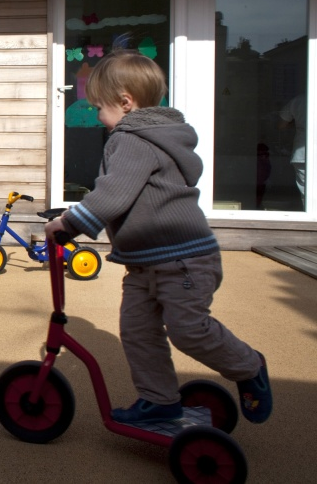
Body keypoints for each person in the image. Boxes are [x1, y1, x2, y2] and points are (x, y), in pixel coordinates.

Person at [45, 50, 272, 425]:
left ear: (125, 103)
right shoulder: (147, 136)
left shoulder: (134, 138)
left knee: (188, 330)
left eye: (100, 108)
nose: (99, 117)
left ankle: (248, 366)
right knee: (137, 331)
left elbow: (114, 192)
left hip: (181, 260)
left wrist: (71, 221)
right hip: (144, 264)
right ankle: (160, 400)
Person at [279, 92, 307, 209]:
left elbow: (282, 125)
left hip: (302, 152)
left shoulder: (298, 100)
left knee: (306, 190)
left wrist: (297, 124)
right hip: (302, 151)